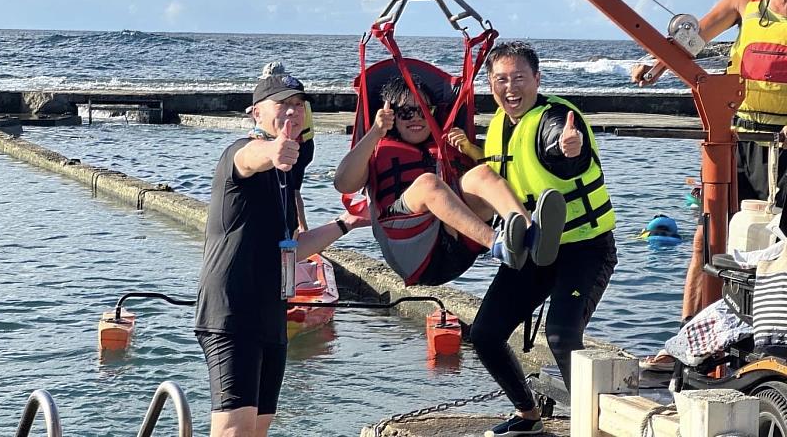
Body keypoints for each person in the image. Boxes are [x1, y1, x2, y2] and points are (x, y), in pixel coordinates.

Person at [631, 0, 787, 371]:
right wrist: (657, 64)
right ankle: (683, 344)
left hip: (784, 149)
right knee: (707, 239)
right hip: (738, 140)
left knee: (774, 250)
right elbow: (692, 36)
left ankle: (765, 349)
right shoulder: (744, 0)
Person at [453, 41, 617, 437]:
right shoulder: (498, 124)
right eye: (501, 80)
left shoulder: (556, 118)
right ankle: (528, 416)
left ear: (537, 79)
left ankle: (591, 428)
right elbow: (503, 169)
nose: (510, 88)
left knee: (561, 336)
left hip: (584, 248)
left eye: (519, 78)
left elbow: (562, 149)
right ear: (490, 84)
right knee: (485, 334)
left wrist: (569, 150)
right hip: (534, 247)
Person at [194, 73, 367, 437]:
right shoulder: (240, 154)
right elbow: (248, 157)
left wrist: (348, 222)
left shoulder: (286, 179)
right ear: (256, 113)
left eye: (297, 105)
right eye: (281, 105)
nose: (291, 111)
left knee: (258, 428)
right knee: (233, 430)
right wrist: (273, 150)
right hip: (232, 312)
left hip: (272, 313)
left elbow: (293, 249)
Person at [334, 74, 567, 286]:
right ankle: (500, 245)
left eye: (425, 110)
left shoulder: (447, 143)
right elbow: (343, 184)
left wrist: (468, 148)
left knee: (481, 174)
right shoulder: (376, 149)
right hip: (409, 248)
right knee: (429, 184)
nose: (416, 118)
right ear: (392, 115)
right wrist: (375, 131)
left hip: (457, 247)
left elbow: (498, 173)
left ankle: (533, 236)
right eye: (406, 112)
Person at [256, 61, 316, 233]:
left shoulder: (293, 100)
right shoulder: (298, 97)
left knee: (292, 190)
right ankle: (299, 228)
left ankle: (300, 229)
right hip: (302, 145)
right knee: (291, 189)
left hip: (298, 146)